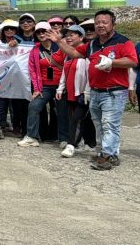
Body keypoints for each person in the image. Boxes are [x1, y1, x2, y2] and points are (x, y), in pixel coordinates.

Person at [50, 10, 138, 170]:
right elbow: (74, 53)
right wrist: (59, 42)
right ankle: (107, 153)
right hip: (96, 91)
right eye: (97, 23)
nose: (100, 25)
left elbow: (132, 61)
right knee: (99, 124)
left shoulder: (123, 42)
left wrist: (112, 62)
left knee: (109, 124)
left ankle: (107, 156)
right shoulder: (92, 44)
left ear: (113, 24)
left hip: (114, 91)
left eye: (104, 22)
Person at [19, 22, 67, 148]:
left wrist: (65, 85)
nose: (41, 34)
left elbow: (68, 63)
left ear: (50, 32)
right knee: (33, 107)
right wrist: (36, 88)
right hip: (44, 86)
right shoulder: (35, 50)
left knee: (61, 111)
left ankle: (64, 138)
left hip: (60, 85)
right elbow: (33, 71)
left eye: (44, 31)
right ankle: (32, 137)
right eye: (38, 32)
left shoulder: (60, 46)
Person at [55, 25, 97, 158]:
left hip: (82, 93)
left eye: (72, 35)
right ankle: (91, 143)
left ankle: (71, 145)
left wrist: (87, 92)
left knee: (76, 119)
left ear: (81, 37)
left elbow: (90, 74)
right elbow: (64, 72)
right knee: (82, 119)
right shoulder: (69, 54)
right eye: (67, 35)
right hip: (70, 93)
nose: (68, 37)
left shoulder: (86, 53)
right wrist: (60, 88)